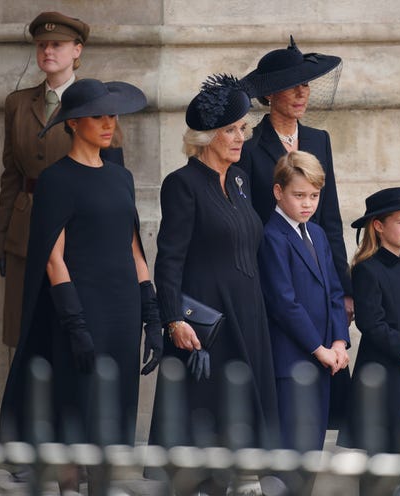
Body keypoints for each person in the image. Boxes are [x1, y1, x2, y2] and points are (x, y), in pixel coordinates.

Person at [0, 78, 161, 490]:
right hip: (81, 311)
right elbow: (53, 258)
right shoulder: (56, 180)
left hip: (122, 312)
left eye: (111, 115)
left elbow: (134, 246)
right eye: (97, 116)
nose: (108, 123)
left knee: (110, 420)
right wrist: (75, 324)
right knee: (76, 415)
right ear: (73, 123)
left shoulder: (120, 177)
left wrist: (151, 312)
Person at [148, 74, 279, 454]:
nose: (242, 137)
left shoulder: (239, 179)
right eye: (231, 130)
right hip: (207, 321)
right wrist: (174, 319)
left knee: (245, 423)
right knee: (208, 424)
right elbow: (169, 259)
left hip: (248, 312)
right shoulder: (182, 184)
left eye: (243, 128)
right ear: (207, 136)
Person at [238, 35, 353, 428]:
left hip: (319, 270)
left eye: (305, 84)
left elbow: (331, 219)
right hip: (273, 271)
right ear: (270, 94)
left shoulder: (319, 139)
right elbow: (250, 217)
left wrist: (344, 285)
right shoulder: (251, 147)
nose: (302, 92)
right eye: (292, 85)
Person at [0, 11, 124, 350]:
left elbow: (112, 181)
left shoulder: (99, 104)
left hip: (77, 234)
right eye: (42, 45)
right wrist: (2, 236)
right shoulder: (18, 103)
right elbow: (11, 175)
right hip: (25, 231)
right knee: (26, 335)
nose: (47, 51)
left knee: (70, 331)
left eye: (57, 44)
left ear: (77, 50)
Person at [258, 150, 350, 451]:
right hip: (291, 361)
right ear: (278, 192)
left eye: (314, 195)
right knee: (290, 450)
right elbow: (284, 303)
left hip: (324, 359)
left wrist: (338, 341)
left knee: (312, 449)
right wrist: (319, 348)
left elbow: (335, 292)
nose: (308, 203)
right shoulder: (272, 237)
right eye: (299, 195)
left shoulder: (319, 234)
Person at [338, 187, 400, 454]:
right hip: (385, 373)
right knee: (381, 458)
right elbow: (371, 324)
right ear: (379, 226)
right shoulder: (367, 269)